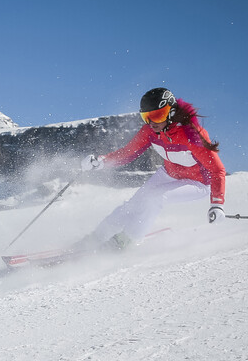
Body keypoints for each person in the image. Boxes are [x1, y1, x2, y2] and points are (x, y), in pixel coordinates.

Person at [78, 87, 226, 250]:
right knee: (133, 205)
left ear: (171, 112)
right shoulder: (150, 131)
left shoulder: (192, 135)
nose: (152, 122)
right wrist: (101, 161)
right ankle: (95, 238)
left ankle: (123, 243)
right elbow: (128, 153)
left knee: (156, 198)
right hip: (168, 174)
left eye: (158, 115)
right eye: (146, 117)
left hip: (199, 183)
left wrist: (217, 205)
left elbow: (217, 170)